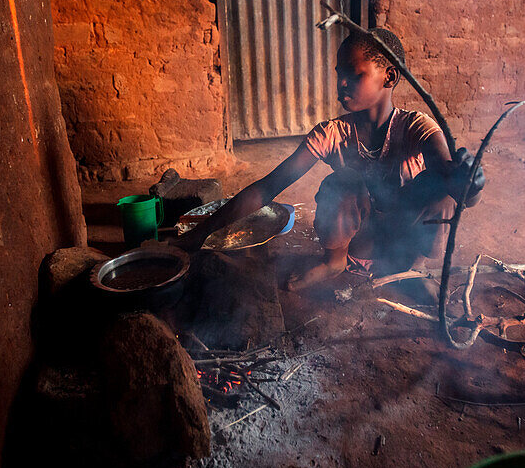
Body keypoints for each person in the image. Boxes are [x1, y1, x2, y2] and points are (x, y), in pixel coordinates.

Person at [170, 28, 484, 290]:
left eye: (354, 74)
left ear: (390, 77)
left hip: (405, 236)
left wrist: (472, 183)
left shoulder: (417, 128)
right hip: (363, 240)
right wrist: (200, 235)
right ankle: (334, 262)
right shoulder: (332, 133)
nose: (342, 83)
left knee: (440, 188)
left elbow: (459, 191)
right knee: (343, 180)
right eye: (339, 74)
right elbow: (267, 188)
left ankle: (414, 270)